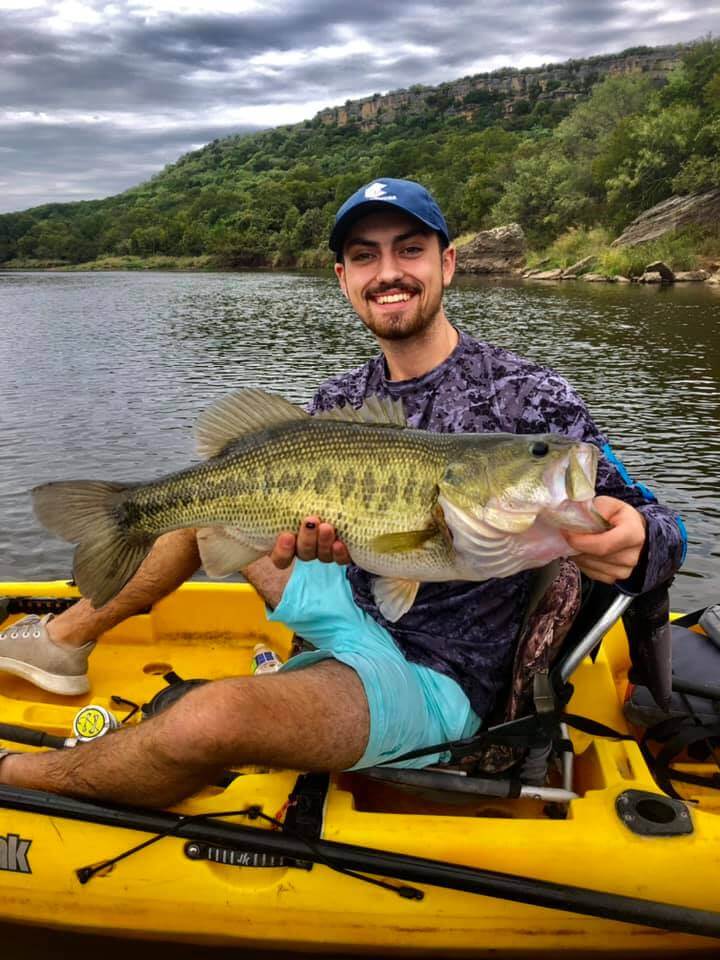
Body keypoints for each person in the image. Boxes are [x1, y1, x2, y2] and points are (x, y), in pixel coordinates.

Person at [0, 178, 685, 807]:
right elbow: (331, 542)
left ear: (447, 263)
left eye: (410, 249)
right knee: (208, 500)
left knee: (208, 717)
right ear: (344, 278)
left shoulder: (532, 403)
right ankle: (65, 639)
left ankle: (15, 777)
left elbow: (659, 523)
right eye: (366, 256)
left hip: (435, 674)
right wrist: (308, 544)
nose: (389, 272)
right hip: (349, 603)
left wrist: (638, 541)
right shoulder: (341, 400)